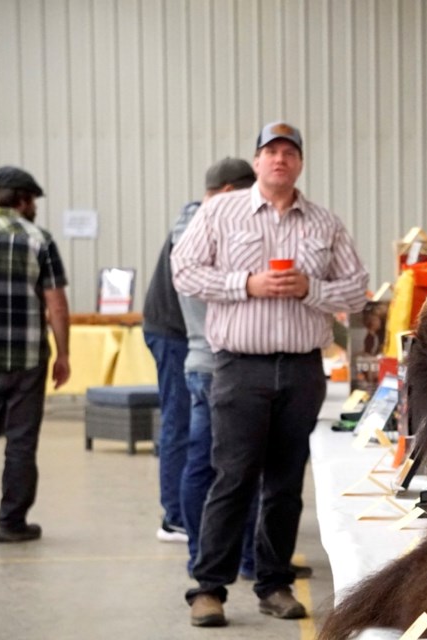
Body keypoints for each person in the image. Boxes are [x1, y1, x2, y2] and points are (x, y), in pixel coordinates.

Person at [172, 121, 369, 627]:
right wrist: (247, 284)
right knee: (233, 477)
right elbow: (184, 270)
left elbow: (355, 289)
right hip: (241, 368)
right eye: (270, 151)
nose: (280, 159)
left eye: (289, 152)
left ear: (299, 163)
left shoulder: (324, 223)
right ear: (257, 161)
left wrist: (310, 288)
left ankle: (274, 583)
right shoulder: (221, 212)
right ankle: (208, 589)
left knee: (284, 484)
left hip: (303, 370)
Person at [0, 166, 70, 543]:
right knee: (22, 441)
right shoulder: (39, 239)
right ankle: (12, 523)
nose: (35, 208)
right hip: (27, 360)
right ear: (23, 199)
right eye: (33, 202)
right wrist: (63, 355)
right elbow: (56, 305)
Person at [173, 157, 260, 580]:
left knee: (207, 466)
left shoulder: (185, 226)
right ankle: (240, 560)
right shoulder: (205, 227)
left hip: (201, 360)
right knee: (232, 471)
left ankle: (202, 557)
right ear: (228, 193)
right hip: (220, 363)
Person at [143, 188, 192, 543]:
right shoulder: (195, 220)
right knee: (179, 421)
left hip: (173, 329)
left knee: (183, 421)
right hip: (174, 333)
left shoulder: (194, 215)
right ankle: (174, 517)